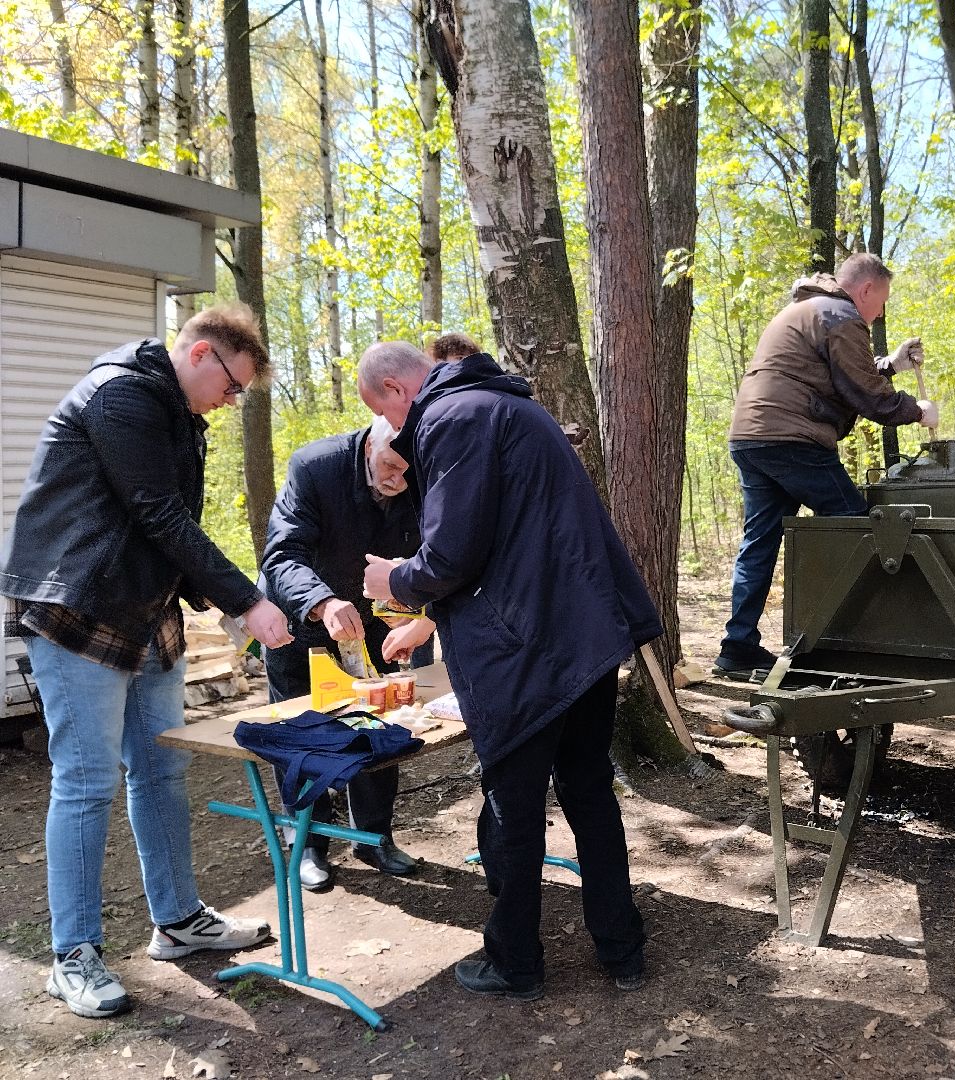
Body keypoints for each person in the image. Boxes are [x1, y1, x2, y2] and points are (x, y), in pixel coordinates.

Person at [0, 304, 294, 1019]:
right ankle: (72, 955)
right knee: (87, 781)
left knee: (163, 767)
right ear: (199, 354)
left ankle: (178, 918)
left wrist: (219, 603)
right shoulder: (123, 396)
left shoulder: (175, 413)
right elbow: (155, 512)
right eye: (231, 387)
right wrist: (247, 599)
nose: (231, 402)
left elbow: (172, 531)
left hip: (146, 612)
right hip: (79, 611)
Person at [356, 341, 659, 1001]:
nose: (395, 429)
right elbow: (503, 533)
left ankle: (516, 962)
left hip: (526, 650)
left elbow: (453, 555)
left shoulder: (452, 418)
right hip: (583, 637)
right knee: (589, 791)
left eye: (384, 412)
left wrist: (394, 579)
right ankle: (622, 950)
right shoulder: (511, 408)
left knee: (514, 807)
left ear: (395, 388)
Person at [715, 253, 938, 677]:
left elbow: (836, 376)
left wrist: (891, 365)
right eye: (882, 300)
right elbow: (866, 395)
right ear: (866, 289)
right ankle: (839, 641)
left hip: (752, 436)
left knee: (759, 543)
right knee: (855, 529)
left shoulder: (808, 309)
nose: (881, 311)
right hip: (791, 438)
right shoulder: (841, 314)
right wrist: (917, 411)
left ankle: (738, 646)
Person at [259, 417, 435, 890]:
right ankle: (309, 843)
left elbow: (433, 549)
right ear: (369, 442)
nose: (397, 480)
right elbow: (282, 554)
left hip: (375, 622)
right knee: (304, 735)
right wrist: (320, 601)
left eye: (407, 472)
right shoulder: (316, 466)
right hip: (302, 617)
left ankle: (373, 835)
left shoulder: (423, 469)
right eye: (388, 466)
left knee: (379, 724)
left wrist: (419, 611)